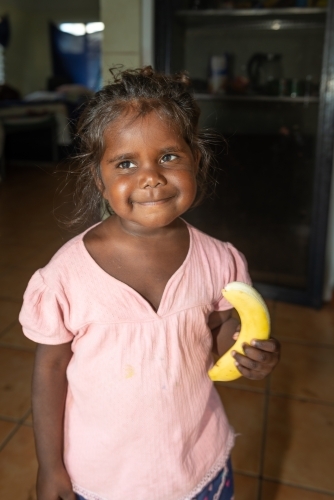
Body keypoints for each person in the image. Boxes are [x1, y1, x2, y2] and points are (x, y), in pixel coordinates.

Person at [19, 67, 280, 500]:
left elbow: (219, 330)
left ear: (196, 158)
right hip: (102, 476)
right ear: (99, 179)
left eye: (169, 157)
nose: (151, 176)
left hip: (198, 463)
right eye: (126, 163)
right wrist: (50, 467)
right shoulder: (65, 277)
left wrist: (249, 348)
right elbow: (49, 370)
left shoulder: (220, 259)